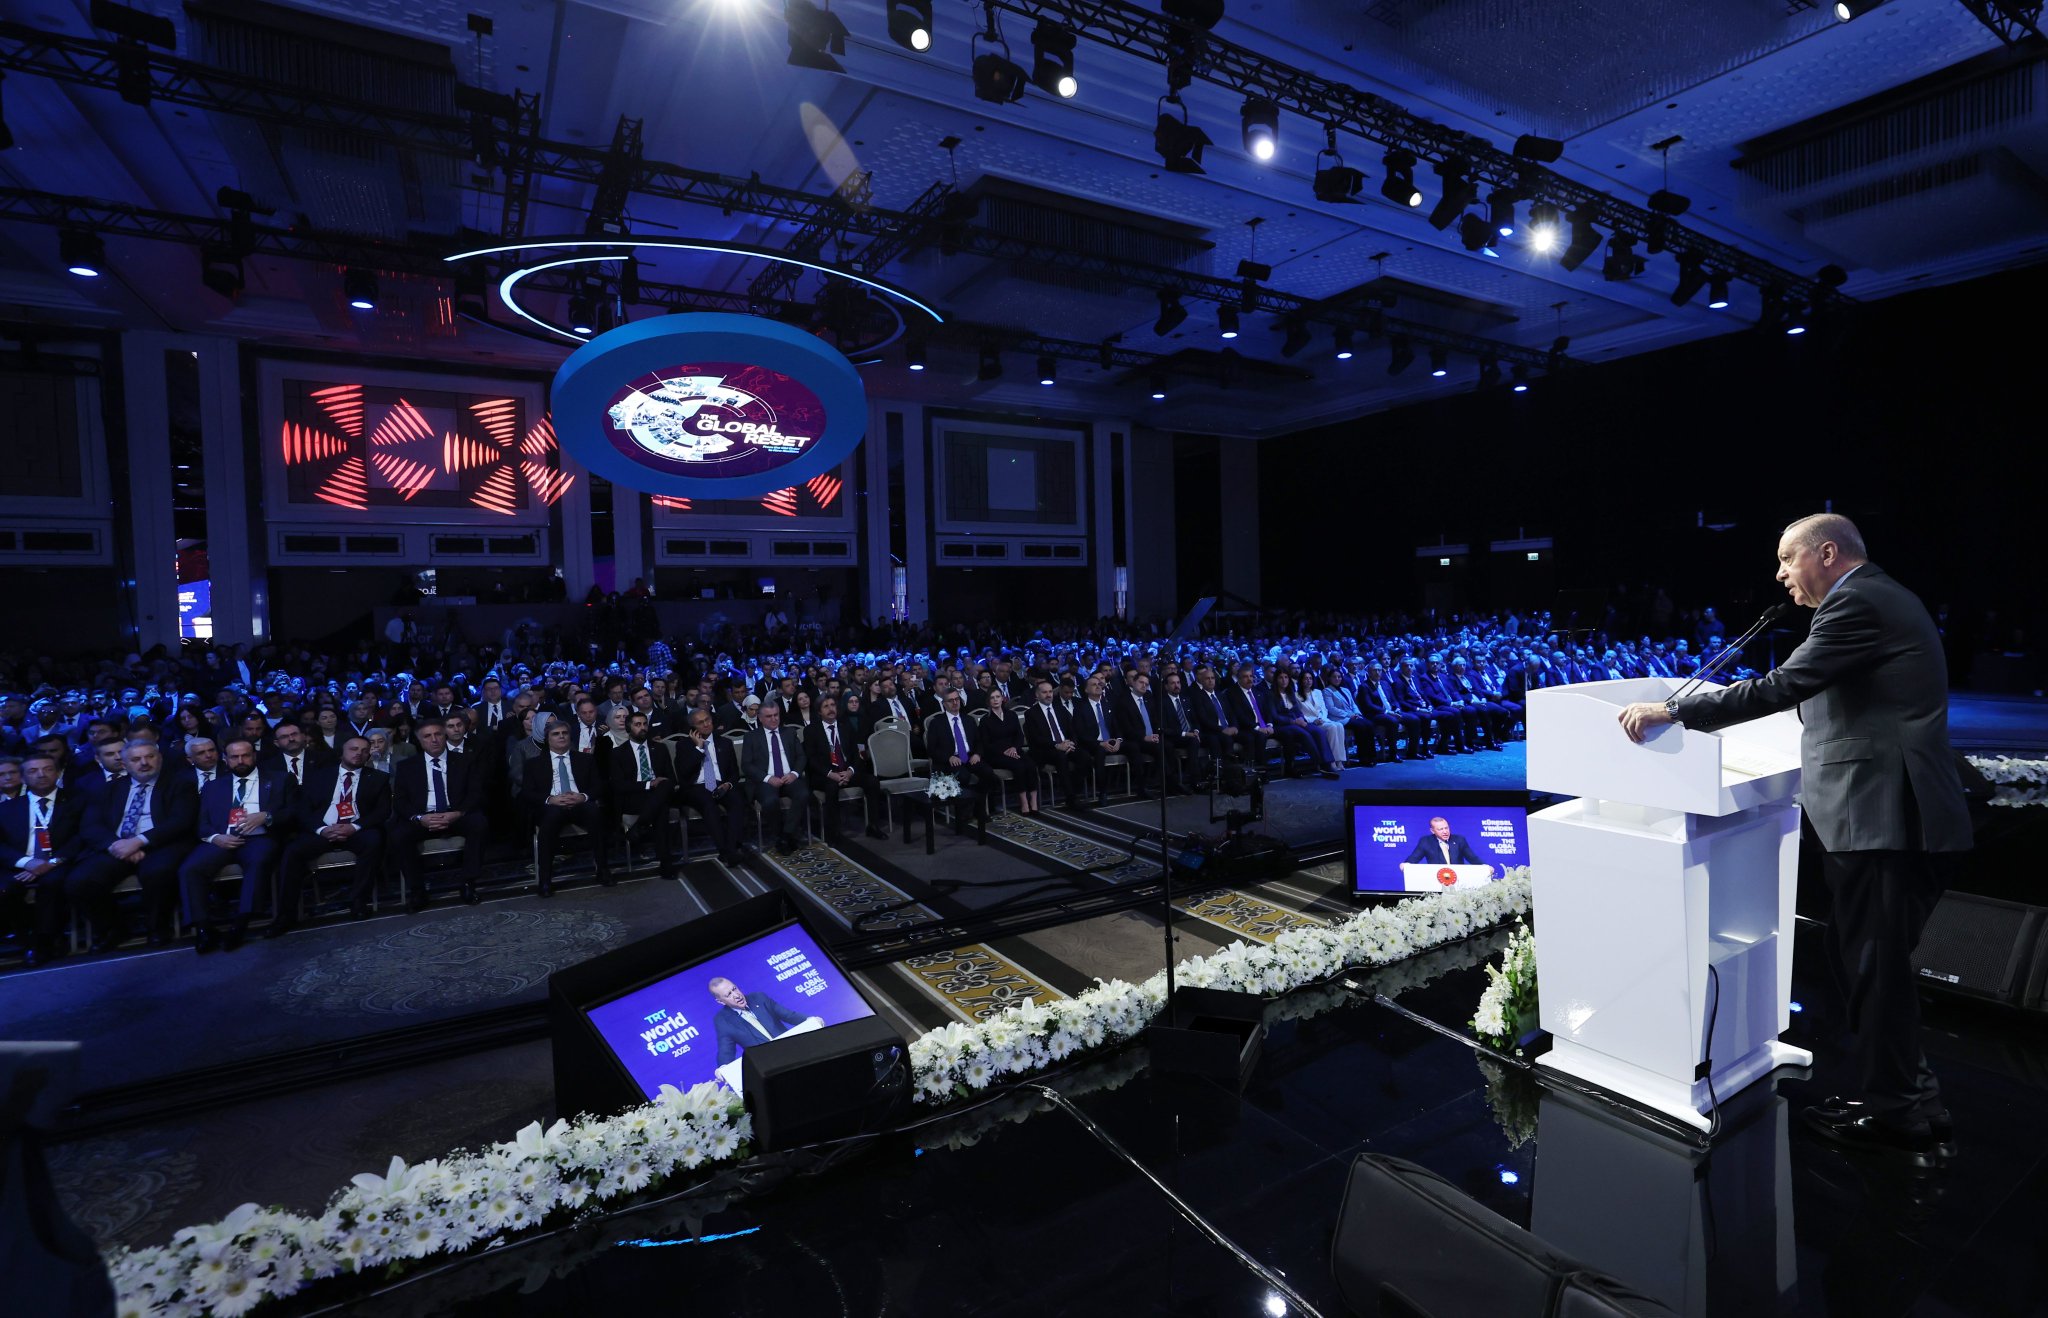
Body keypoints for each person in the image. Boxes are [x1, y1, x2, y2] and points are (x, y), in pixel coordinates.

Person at [1619, 513, 1971, 1162]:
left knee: (1872, 968)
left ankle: (1898, 1113)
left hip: (1884, 818)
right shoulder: (1878, 597)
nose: (1780, 574)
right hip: (1889, 816)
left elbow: (1784, 686)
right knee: (1875, 967)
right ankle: (1914, 1103)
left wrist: (1674, 710)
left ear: (1827, 553)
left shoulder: (1858, 602)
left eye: (1788, 559)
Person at [65, 739, 199, 948]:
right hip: (117, 847)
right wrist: (116, 845)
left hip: (161, 844)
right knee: (79, 881)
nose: (144, 763)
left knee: (158, 872)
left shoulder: (180, 784)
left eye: (150, 756)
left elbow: (181, 821)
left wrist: (138, 841)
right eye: (136, 759)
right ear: (125, 764)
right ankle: (113, 929)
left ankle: (157, 928)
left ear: (160, 758)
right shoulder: (107, 789)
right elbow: (90, 826)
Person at [176, 738, 292, 953]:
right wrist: (215, 837)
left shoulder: (280, 779)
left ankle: (240, 923)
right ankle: (203, 928)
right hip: (221, 839)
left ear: (254, 756)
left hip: (259, 838)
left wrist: (267, 816)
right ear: (225, 759)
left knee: (258, 861)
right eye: (234, 757)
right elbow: (202, 823)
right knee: (190, 869)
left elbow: (293, 813)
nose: (240, 761)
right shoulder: (213, 786)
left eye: (245, 755)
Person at [277, 735, 389, 930]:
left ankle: (359, 901)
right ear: (342, 752)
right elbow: (303, 810)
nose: (359, 754)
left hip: (356, 830)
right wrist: (322, 829)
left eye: (364, 750)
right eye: (354, 749)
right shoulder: (318, 777)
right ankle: (286, 914)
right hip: (323, 830)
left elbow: (383, 811)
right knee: (292, 851)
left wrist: (354, 827)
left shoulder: (378, 778)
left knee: (374, 840)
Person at [390, 720, 488, 909]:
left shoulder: (465, 761)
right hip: (424, 817)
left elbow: (476, 793)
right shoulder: (406, 766)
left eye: (438, 734)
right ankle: (417, 891)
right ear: (419, 741)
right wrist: (420, 818)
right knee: (399, 835)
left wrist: (457, 813)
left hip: (455, 814)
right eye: (427, 736)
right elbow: (400, 801)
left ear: (445, 736)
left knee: (479, 824)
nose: (434, 740)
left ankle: (468, 883)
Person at [0, 751, 86, 965]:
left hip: (59, 862)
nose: (41, 775)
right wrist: (27, 862)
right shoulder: (6, 809)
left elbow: (83, 836)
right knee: (6, 889)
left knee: (52, 883)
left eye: (47, 769)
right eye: (33, 771)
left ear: (58, 773)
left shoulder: (77, 801)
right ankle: (28, 940)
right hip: (20, 863)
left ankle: (46, 940)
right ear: (23, 777)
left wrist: (51, 863)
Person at [523, 720, 611, 895]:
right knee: (550, 819)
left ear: (570, 737)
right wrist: (550, 799)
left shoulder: (585, 759)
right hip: (552, 806)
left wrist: (583, 796)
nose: (561, 737)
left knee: (595, 813)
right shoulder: (534, 764)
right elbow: (527, 793)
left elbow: (599, 786)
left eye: (564, 733)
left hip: (579, 804)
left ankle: (603, 870)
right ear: (548, 739)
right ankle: (546, 879)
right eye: (556, 734)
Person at [804, 696, 887, 841]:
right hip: (826, 775)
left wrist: (850, 771)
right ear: (819, 712)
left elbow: (856, 753)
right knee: (831, 787)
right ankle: (833, 832)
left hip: (847, 771)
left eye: (832, 705)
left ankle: (873, 826)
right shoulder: (811, 730)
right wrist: (831, 774)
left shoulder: (845, 727)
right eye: (826, 706)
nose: (831, 709)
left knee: (872, 781)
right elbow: (811, 759)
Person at [609, 711, 679, 880]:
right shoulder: (618, 753)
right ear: (628, 728)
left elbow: (671, 778)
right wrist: (649, 784)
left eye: (645, 724)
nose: (643, 728)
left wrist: (658, 784)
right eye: (637, 724)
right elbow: (619, 785)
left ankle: (639, 826)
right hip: (635, 796)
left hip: (658, 793)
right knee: (661, 807)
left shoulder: (660, 748)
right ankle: (666, 863)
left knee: (664, 789)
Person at [675, 707, 747, 866]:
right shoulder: (683, 746)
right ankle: (725, 851)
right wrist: (699, 748)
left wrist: (728, 785)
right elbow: (684, 774)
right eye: (700, 723)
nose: (706, 724)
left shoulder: (725, 743)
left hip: (721, 784)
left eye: (707, 719)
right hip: (696, 787)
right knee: (708, 804)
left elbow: (734, 773)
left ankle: (731, 848)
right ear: (693, 727)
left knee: (737, 800)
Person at [741, 701, 807, 854]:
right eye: (769, 716)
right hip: (765, 780)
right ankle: (781, 835)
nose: (774, 719)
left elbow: (801, 756)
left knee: (803, 794)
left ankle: (786, 835)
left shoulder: (789, 732)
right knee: (770, 801)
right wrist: (768, 778)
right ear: (760, 718)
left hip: (789, 777)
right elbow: (746, 765)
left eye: (776, 715)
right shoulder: (751, 737)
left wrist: (794, 774)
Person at [710, 975, 821, 1067]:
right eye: (729, 995)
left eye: (734, 989)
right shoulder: (722, 1021)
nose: (736, 995)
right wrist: (723, 1067)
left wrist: (810, 1020)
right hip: (768, 1065)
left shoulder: (759, 998)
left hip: (793, 1051)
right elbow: (726, 1049)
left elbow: (788, 1015)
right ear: (721, 1001)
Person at [1025, 679, 1089, 809]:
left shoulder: (1060, 709)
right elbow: (1035, 738)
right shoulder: (1031, 713)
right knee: (1061, 757)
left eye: (1050, 692)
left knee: (1085, 757)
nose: (1048, 695)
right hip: (1045, 749)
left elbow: (1072, 730)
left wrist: (1071, 743)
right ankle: (1070, 798)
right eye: (1044, 692)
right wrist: (1056, 745)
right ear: (1037, 695)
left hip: (1066, 745)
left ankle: (1075, 791)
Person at [977, 688, 1035, 814]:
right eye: (992, 697)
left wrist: (1014, 748)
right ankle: (1024, 801)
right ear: (988, 701)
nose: (995, 700)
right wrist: (1005, 751)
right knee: (1019, 766)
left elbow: (1019, 735)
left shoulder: (1011, 715)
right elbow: (986, 744)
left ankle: (1034, 802)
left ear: (1002, 698)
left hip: (1014, 750)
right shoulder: (985, 720)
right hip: (997, 755)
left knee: (1030, 764)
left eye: (998, 697)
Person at [1402, 816, 1489, 873]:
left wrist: (1484, 866)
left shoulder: (1459, 840)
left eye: (1446, 828)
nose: (1445, 831)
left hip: (1458, 878)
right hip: (1436, 878)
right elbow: (1415, 857)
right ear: (1432, 831)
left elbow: (1472, 857)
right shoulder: (1426, 841)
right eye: (1440, 829)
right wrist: (1406, 864)